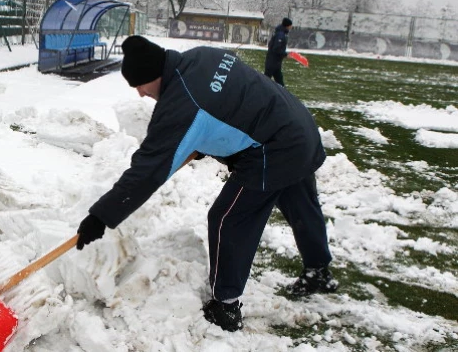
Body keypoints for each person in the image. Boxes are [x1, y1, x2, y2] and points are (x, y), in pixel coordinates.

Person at [75, 35, 338, 332]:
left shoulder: (180, 102)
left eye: (139, 85)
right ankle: (319, 271)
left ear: (153, 76)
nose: (139, 94)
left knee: (228, 217)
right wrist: (204, 141)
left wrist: (101, 216)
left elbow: (147, 171)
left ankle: (225, 306)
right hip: (298, 126)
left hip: (274, 148)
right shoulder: (202, 56)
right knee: (301, 204)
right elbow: (229, 100)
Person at [264, 17, 294, 86]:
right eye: (291, 25)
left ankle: (283, 94)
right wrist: (285, 55)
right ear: (288, 25)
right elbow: (276, 48)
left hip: (275, 62)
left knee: (278, 81)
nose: (291, 27)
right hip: (273, 62)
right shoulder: (280, 34)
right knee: (266, 80)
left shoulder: (279, 32)